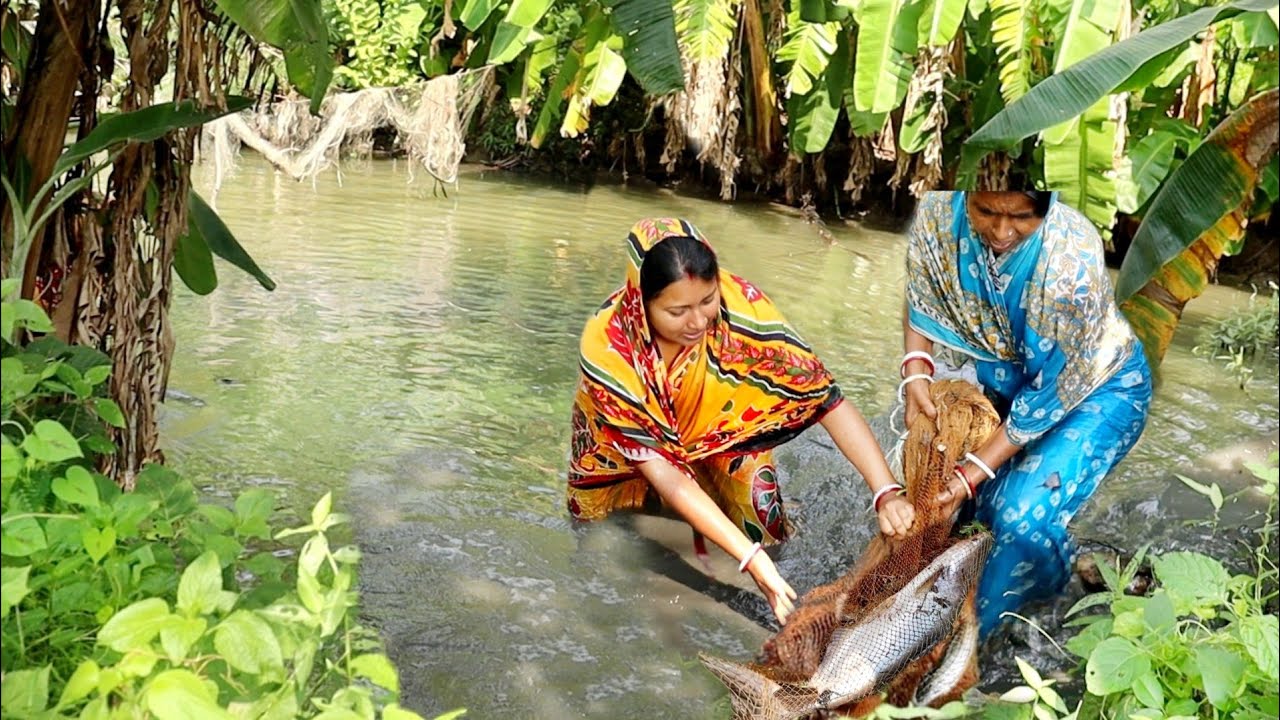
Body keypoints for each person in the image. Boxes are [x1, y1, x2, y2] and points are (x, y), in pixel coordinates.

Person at [567, 217, 912, 626]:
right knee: (609, 541)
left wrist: (886, 492)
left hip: (723, 435)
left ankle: (772, 591)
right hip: (620, 454)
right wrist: (750, 561)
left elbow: (827, 401)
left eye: (707, 300)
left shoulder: (742, 310)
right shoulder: (608, 351)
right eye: (677, 311)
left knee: (766, 523)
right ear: (641, 303)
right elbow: (669, 477)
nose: (698, 322)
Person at [900, 191, 1153, 637]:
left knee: (1017, 519)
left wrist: (969, 475)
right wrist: (915, 373)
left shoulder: (1069, 256)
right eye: (986, 212)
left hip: (1096, 391)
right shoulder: (939, 216)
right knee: (965, 528)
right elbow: (924, 291)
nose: (1001, 232)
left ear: (1047, 205)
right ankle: (1071, 561)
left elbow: (1052, 394)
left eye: (1021, 217)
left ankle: (1005, 631)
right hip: (1010, 386)